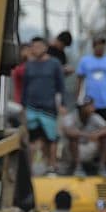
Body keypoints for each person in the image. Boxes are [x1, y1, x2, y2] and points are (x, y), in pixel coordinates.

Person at [22, 37, 66, 174]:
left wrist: (62, 103)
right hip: (31, 107)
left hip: (48, 107)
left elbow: (61, 85)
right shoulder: (29, 65)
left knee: (50, 138)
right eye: (33, 47)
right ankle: (29, 170)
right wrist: (23, 105)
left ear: (45, 47)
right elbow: (25, 86)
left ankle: (51, 166)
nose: (35, 49)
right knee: (31, 139)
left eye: (38, 46)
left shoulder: (54, 64)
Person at [61, 97, 106, 176]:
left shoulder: (94, 117)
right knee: (73, 138)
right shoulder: (71, 117)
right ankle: (78, 168)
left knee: (105, 138)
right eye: (88, 106)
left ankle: (101, 167)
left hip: (88, 147)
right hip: (71, 151)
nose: (92, 108)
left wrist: (97, 134)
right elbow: (68, 131)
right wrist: (87, 135)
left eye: (92, 105)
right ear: (81, 108)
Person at [76, 37, 106, 120]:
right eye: (98, 45)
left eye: (102, 45)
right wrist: (78, 98)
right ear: (94, 46)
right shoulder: (85, 61)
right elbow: (79, 80)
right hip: (89, 103)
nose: (101, 48)